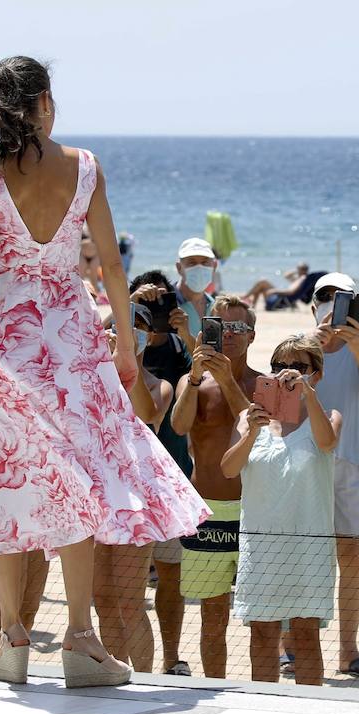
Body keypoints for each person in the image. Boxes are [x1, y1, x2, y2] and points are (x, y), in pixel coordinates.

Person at [0, 55, 208, 688]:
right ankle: (80, 639)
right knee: (81, 489)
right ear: (44, 101)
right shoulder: (84, 166)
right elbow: (112, 270)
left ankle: (11, 638)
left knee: (10, 486)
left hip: (9, 344)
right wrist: (126, 345)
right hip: (72, 341)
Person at [223, 335, 340, 686]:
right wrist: (251, 431)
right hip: (262, 546)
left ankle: (309, 713)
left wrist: (308, 397)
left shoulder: (328, 415)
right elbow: (229, 469)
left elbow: (326, 442)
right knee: (262, 634)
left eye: (298, 366)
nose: (285, 373)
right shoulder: (250, 417)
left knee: (306, 636)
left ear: (316, 373)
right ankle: (263, 708)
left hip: (308, 545)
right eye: (278, 366)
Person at [308, 273, 359, 680]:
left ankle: (348, 649)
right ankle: (294, 645)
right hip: (307, 461)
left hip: (351, 462)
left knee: (350, 554)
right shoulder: (303, 345)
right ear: (313, 306)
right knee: (304, 553)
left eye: (344, 298)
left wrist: (357, 346)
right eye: (326, 297)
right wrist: (316, 347)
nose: (333, 303)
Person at [169, 294, 257, 679]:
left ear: (252, 335)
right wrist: (195, 376)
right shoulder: (194, 383)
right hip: (207, 510)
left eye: (238, 327)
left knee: (262, 617)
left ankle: (263, 691)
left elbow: (255, 425)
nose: (231, 336)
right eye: (221, 327)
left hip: (253, 510)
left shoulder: (263, 383)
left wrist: (227, 380)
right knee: (212, 615)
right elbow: (178, 425)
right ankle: (213, 688)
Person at [93, 304, 172, 672]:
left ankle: (143, 680)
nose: (129, 331)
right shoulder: (87, 376)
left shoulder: (158, 382)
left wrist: (128, 361)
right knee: (102, 599)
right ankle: (114, 670)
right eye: (121, 326)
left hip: (135, 494)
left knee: (130, 600)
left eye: (137, 327)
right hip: (96, 492)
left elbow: (146, 413)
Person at [128, 270, 197, 675]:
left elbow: (205, 367)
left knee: (171, 577)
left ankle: (171, 657)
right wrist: (128, 304)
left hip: (171, 475)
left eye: (158, 306)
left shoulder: (177, 346)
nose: (151, 316)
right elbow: (88, 337)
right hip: (128, 481)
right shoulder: (119, 339)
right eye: (144, 308)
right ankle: (133, 657)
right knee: (127, 581)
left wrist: (185, 326)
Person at [175, 238, 218, 338]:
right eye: (192, 263)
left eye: (205, 263)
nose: (199, 268)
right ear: (179, 268)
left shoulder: (215, 307)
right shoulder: (166, 302)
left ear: (214, 266)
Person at [242, 262, 325, 311]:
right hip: (279, 300)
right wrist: (297, 271)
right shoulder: (301, 279)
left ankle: (245, 297)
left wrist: (274, 291)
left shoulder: (302, 278)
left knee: (262, 282)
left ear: (301, 270)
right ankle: (251, 305)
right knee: (262, 283)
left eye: (298, 269)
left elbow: (290, 292)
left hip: (279, 300)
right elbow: (286, 275)